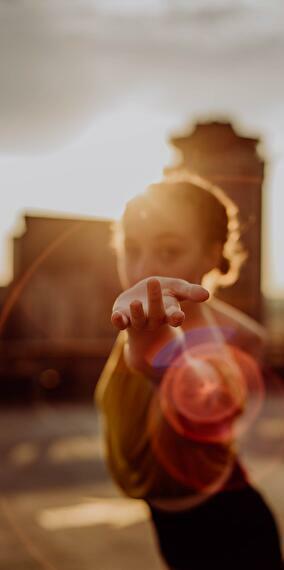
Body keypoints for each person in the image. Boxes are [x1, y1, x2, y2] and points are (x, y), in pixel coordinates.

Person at [95, 173, 283, 569]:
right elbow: (254, 337)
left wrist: (150, 357)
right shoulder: (149, 313)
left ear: (211, 255)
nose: (144, 268)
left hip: (226, 540)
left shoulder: (171, 334)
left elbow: (196, 385)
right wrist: (201, 303)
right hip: (180, 531)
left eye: (168, 251)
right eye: (131, 248)